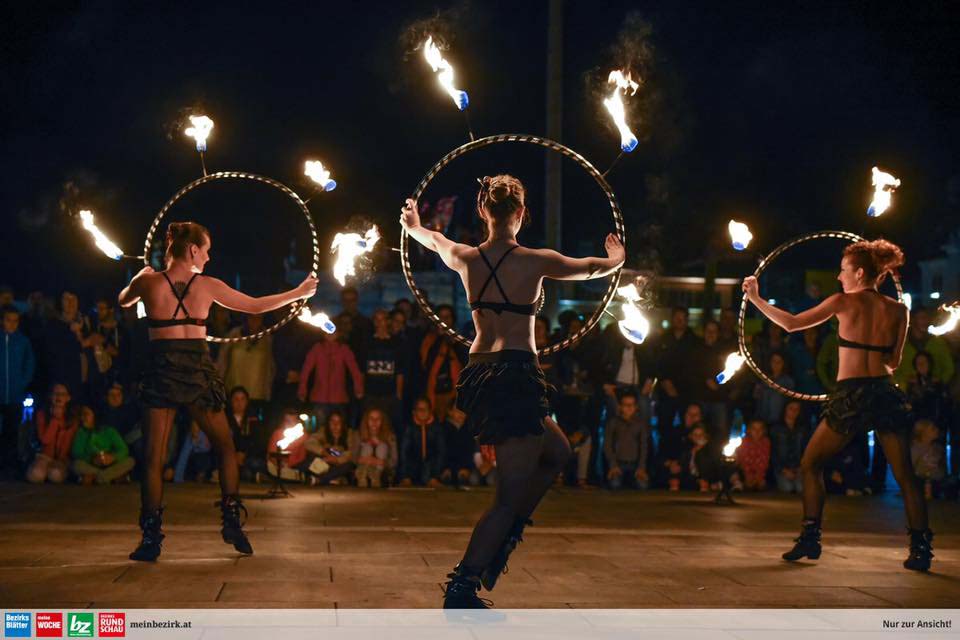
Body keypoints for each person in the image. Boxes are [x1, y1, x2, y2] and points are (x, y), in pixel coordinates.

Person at [400, 173, 624, 607]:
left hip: (482, 370)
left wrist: (412, 226)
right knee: (507, 495)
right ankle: (464, 582)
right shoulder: (536, 260)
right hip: (516, 373)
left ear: (483, 211)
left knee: (558, 453)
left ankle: (504, 538)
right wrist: (617, 256)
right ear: (521, 214)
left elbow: (434, 241)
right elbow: (592, 268)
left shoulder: (465, 257)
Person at [118, 220, 317, 561]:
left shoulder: (147, 280)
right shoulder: (206, 286)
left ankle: (151, 539)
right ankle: (231, 525)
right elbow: (255, 306)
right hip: (194, 371)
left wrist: (140, 277)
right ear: (193, 250)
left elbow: (123, 301)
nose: (209, 257)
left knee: (153, 458)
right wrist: (297, 293)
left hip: (163, 371)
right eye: (206, 250)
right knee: (226, 447)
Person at [742, 238, 932, 571]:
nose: (839, 276)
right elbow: (893, 361)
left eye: (843, 270)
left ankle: (810, 538)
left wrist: (755, 297)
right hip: (884, 393)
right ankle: (920, 549)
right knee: (906, 477)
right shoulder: (899, 310)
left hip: (851, 396)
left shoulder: (843, 303)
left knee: (811, 464)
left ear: (859, 273)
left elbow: (791, 323)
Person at [298, 328, 364, 427]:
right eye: (327, 332)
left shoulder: (343, 349)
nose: (330, 335)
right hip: (319, 397)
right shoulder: (317, 348)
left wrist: (358, 388)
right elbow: (306, 370)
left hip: (339, 398)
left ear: (338, 334)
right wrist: (302, 390)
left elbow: (354, 370)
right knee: (319, 429)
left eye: (333, 332)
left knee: (338, 429)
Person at [1, 306, 35, 479]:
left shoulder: (23, 341)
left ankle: (10, 467)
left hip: (15, 396)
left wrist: (22, 382)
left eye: (15, 321)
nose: (12, 324)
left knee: (13, 432)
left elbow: (29, 364)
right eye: (9, 320)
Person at [26, 383, 77, 484]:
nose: (58, 397)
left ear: (68, 398)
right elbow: (45, 439)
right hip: (44, 456)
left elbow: (69, 443)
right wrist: (55, 419)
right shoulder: (42, 414)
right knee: (36, 475)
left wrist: (63, 460)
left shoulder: (72, 417)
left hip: (62, 459)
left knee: (55, 475)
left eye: (62, 394)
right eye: (55, 393)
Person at [71, 405, 135, 484]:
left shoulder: (109, 431)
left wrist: (113, 457)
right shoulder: (82, 432)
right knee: (76, 465)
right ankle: (111, 478)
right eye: (81, 415)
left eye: (86, 414)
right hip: (92, 466)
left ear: (95, 416)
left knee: (130, 461)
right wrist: (92, 459)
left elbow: (123, 449)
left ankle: (96, 478)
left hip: (111, 465)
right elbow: (76, 453)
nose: (82, 418)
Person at [603, 390, 650, 490]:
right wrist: (613, 465)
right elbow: (607, 445)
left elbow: (643, 446)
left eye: (631, 405)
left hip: (635, 464)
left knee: (643, 486)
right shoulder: (613, 423)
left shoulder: (640, 424)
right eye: (626, 405)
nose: (629, 408)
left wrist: (641, 467)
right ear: (620, 406)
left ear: (636, 407)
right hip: (618, 464)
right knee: (615, 484)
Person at [399, 397, 446, 487]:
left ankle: (433, 478)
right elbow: (404, 452)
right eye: (419, 409)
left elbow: (441, 452)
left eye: (425, 409)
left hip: (431, 466)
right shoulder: (410, 428)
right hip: (413, 466)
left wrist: (435, 475)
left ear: (430, 411)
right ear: (414, 412)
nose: (423, 412)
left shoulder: (437, 428)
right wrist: (405, 475)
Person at [301, 410, 357, 485]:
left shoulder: (350, 434)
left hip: (339, 463)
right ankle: (332, 479)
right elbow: (309, 442)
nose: (335, 424)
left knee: (349, 465)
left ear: (343, 423)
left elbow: (350, 453)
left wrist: (336, 460)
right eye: (332, 421)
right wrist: (323, 452)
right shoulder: (323, 431)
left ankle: (320, 480)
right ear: (328, 422)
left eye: (338, 422)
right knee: (310, 459)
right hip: (325, 463)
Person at [769, 400, 808, 494]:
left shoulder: (802, 429)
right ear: (785, 410)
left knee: (800, 488)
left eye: (797, 409)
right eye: (791, 408)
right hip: (782, 468)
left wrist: (800, 468)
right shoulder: (775, 429)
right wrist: (783, 470)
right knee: (787, 488)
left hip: (798, 467)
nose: (794, 412)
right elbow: (773, 452)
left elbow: (805, 450)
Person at [354, 407, 398, 487]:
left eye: (378, 419)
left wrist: (380, 462)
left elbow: (394, 461)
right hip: (364, 468)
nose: (374, 422)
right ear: (366, 421)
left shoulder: (390, 436)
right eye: (371, 419)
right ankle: (363, 476)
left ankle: (376, 476)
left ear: (382, 421)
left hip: (382, 471)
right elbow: (353, 457)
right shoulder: (359, 435)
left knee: (382, 446)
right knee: (367, 447)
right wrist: (364, 460)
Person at [736, 419, 771, 491]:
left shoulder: (766, 442)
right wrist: (748, 476)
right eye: (754, 429)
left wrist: (759, 477)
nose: (757, 432)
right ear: (749, 430)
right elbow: (743, 460)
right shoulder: (744, 441)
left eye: (760, 429)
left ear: (764, 430)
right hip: (745, 472)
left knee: (761, 485)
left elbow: (764, 460)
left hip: (761, 473)